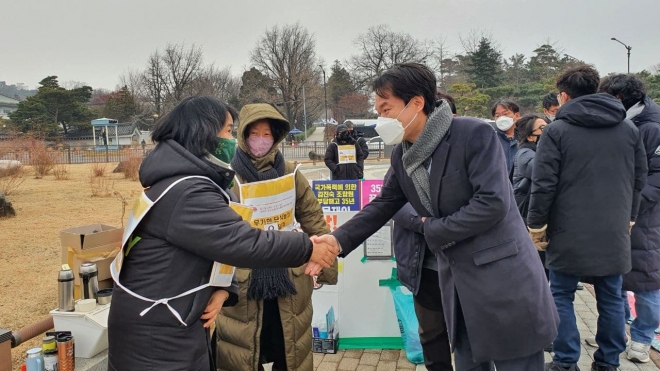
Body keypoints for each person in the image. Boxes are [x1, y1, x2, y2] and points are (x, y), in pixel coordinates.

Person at [311, 63, 558, 371]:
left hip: (502, 278)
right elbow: (385, 203)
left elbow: (493, 203)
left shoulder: (472, 134)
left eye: (386, 109)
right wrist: (335, 241)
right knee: (468, 362)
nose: (381, 119)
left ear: (416, 102)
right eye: (378, 110)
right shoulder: (403, 154)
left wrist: (434, 228)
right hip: (459, 285)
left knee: (517, 363)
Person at [107, 96, 337, 371]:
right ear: (203, 131)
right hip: (158, 339)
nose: (230, 138)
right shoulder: (189, 190)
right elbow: (241, 242)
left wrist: (222, 288)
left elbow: (212, 242)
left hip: (170, 321)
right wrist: (309, 248)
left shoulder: (181, 181)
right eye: (229, 130)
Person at [527, 66, 647, 371]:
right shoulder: (628, 129)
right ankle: (608, 363)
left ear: (564, 95)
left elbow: (543, 185)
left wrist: (536, 226)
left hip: (568, 230)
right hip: (614, 229)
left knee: (561, 295)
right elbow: (638, 178)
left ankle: (566, 362)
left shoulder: (556, 131)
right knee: (611, 297)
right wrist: (630, 217)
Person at [216, 103, 338, 371]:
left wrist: (326, 266)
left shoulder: (291, 172)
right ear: (243, 137)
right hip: (244, 280)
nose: (261, 140)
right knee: (246, 352)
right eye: (254, 133)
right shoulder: (227, 177)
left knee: (290, 349)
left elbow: (313, 218)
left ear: (277, 137)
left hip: (288, 276)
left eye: (268, 134)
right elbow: (215, 230)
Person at [597, 74, 660, 364]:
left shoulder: (653, 125)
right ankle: (618, 331)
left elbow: (656, 177)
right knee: (615, 276)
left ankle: (642, 338)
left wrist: (633, 207)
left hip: (644, 216)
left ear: (620, 98)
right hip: (615, 210)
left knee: (647, 279)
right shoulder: (616, 120)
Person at [387, 169, 453, 371]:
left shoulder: (463, 151)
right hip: (423, 266)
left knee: (469, 336)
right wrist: (425, 223)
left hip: (462, 264)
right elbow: (391, 203)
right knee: (431, 335)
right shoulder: (404, 159)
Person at [491, 100, 521, 175]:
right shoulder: (491, 140)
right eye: (497, 116)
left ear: (517, 116)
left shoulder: (527, 137)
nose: (501, 118)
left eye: (505, 114)